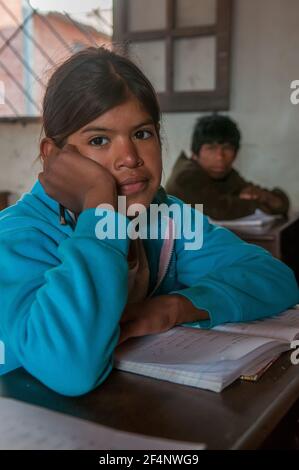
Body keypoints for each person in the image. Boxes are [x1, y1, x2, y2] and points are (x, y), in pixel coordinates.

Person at [0, 47, 297, 397]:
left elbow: (275, 277)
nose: (129, 158)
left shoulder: (164, 218)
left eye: (142, 134)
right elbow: (70, 368)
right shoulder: (18, 238)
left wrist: (177, 307)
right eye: (99, 140)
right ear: (54, 157)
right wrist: (101, 206)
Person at [166, 115, 290, 220]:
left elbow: (280, 203)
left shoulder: (223, 173)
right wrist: (259, 202)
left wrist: (264, 196)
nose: (220, 157)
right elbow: (220, 209)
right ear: (195, 153)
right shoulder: (186, 176)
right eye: (211, 148)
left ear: (236, 153)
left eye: (227, 148)